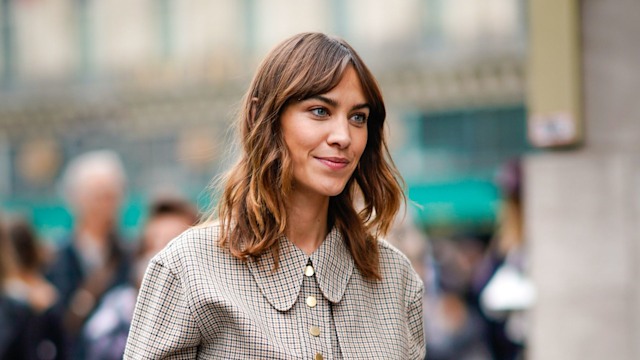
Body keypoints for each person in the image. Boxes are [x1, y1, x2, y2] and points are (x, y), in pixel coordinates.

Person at [124, 32, 426, 359]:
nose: (343, 136)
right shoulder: (188, 267)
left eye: (358, 117)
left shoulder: (396, 277)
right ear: (262, 116)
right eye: (320, 111)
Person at [79, 196, 198, 360]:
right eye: (153, 243)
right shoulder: (115, 310)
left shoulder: (209, 313)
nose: (159, 255)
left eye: (172, 243)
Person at [46, 150, 131, 358]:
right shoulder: (54, 258)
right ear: (76, 200)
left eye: (112, 196)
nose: (106, 205)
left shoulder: (129, 254)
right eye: (98, 197)